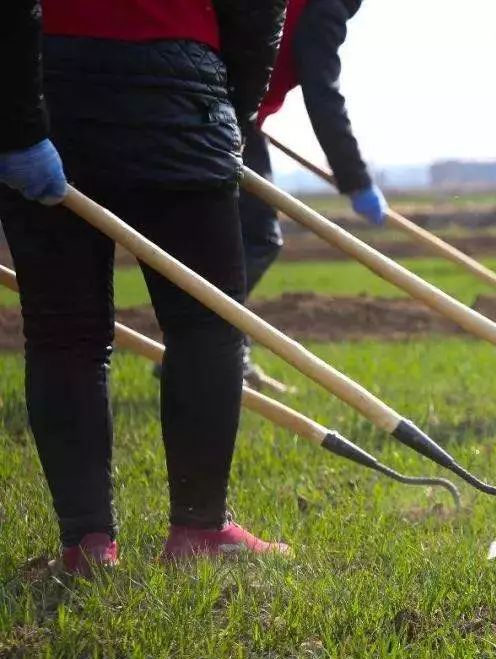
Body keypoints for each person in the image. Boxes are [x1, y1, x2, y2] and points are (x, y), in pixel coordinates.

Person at [0, 0, 291, 575]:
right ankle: (199, 529)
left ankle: (87, 547)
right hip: (176, 86)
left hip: (46, 78)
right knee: (206, 322)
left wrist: (17, 125)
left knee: (66, 334)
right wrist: (229, 107)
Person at [238, 0, 388, 391]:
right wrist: (356, 180)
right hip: (222, 111)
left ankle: (215, 350)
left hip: (229, 109)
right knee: (256, 238)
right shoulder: (324, 6)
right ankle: (210, 350)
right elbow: (322, 92)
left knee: (240, 238)